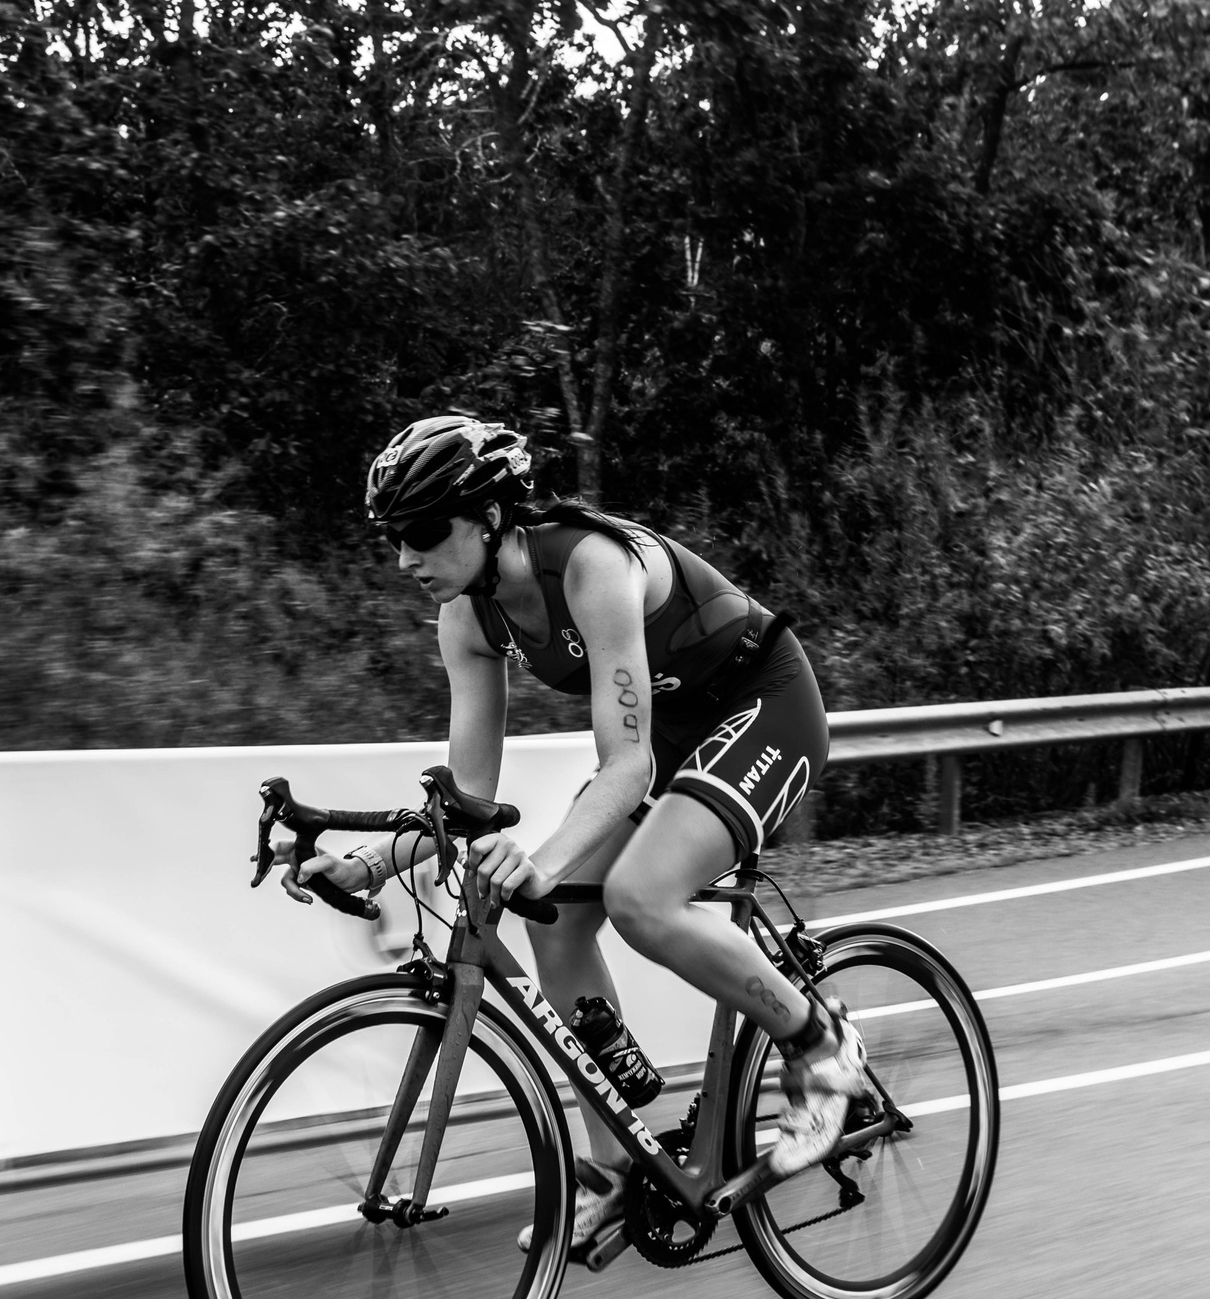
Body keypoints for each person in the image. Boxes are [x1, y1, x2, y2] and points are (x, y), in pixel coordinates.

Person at [289, 414, 864, 1255]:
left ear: (488, 517)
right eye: (392, 538)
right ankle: (618, 1171)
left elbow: (624, 764)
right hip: (672, 731)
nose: (405, 558)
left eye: (420, 533)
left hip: (761, 705)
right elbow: (467, 799)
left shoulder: (592, 566)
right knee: (551, 912)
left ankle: (821, 1044)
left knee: (638, 897)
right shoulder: (466, 617)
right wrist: (370, 863)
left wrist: (540, 856)